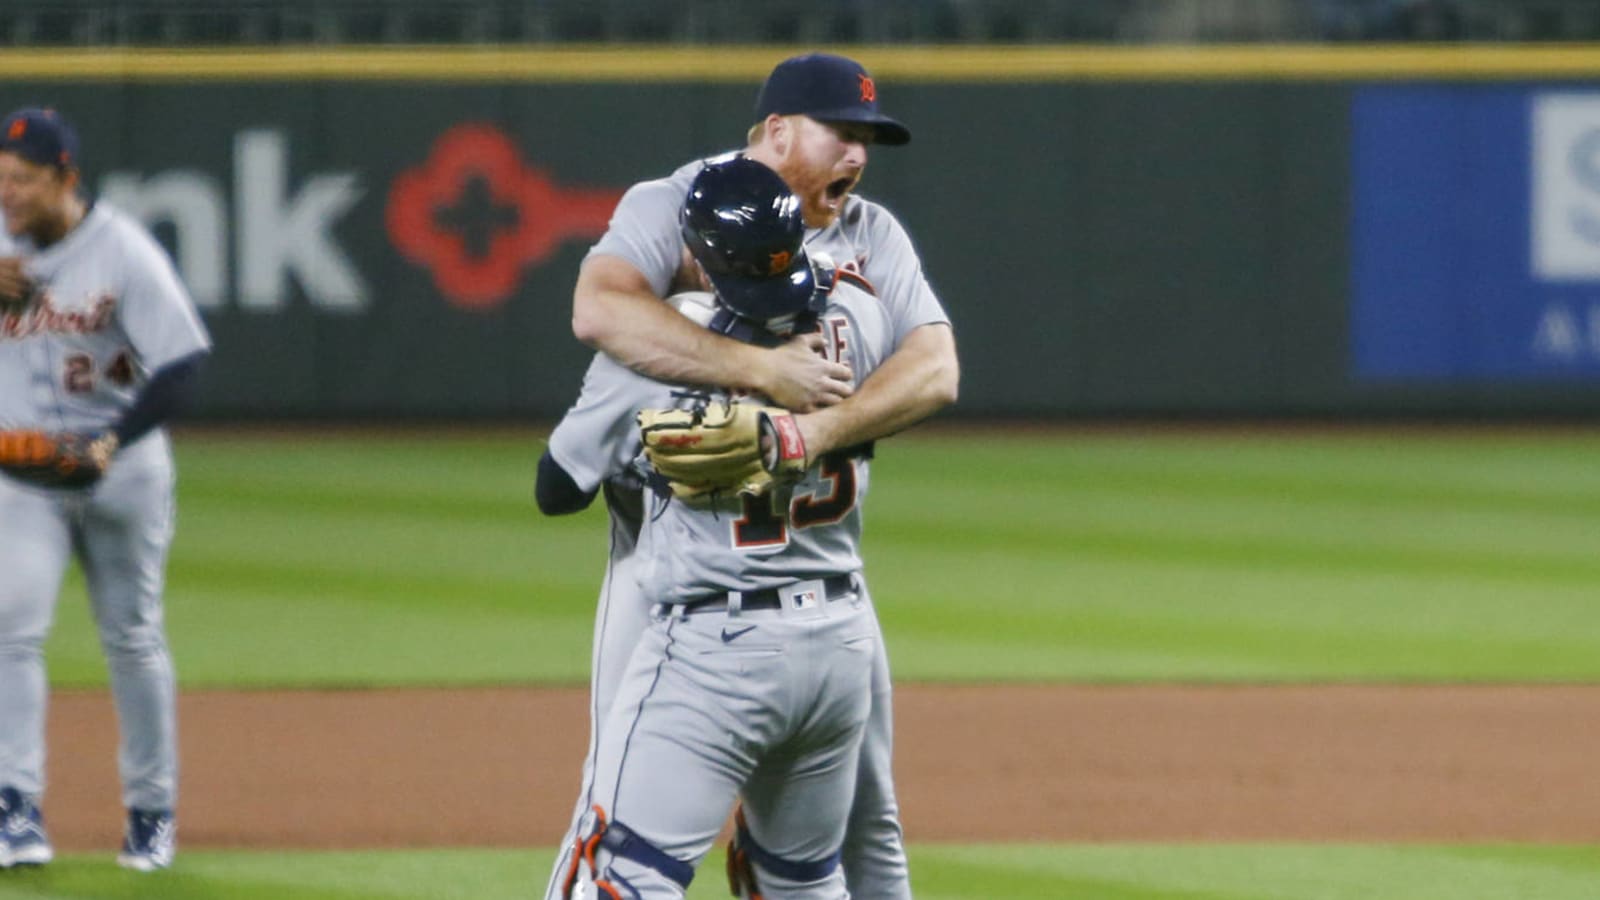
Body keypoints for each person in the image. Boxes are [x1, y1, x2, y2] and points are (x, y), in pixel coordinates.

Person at [549, 51, 958, 899]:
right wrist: (763, 373)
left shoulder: (870, 231)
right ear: (776, 131)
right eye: (841, 133)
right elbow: (597, 306)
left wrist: (809, 433)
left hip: (786, 588)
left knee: (860, 821)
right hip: (672, 569)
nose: (858, 154)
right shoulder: (674, 203)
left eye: (868, 138)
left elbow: (940, 368)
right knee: (776, 856)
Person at [0, 106, 211, 871]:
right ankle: (14, 806)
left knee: (132, 638)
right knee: (10, 629)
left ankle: (151, 813)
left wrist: (114, 441)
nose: (8, 193)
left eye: (22, 180)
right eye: (1, 178)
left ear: (64, 178)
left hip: (120, 471)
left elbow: (183, 363)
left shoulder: (121, 251)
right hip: (24, 475)